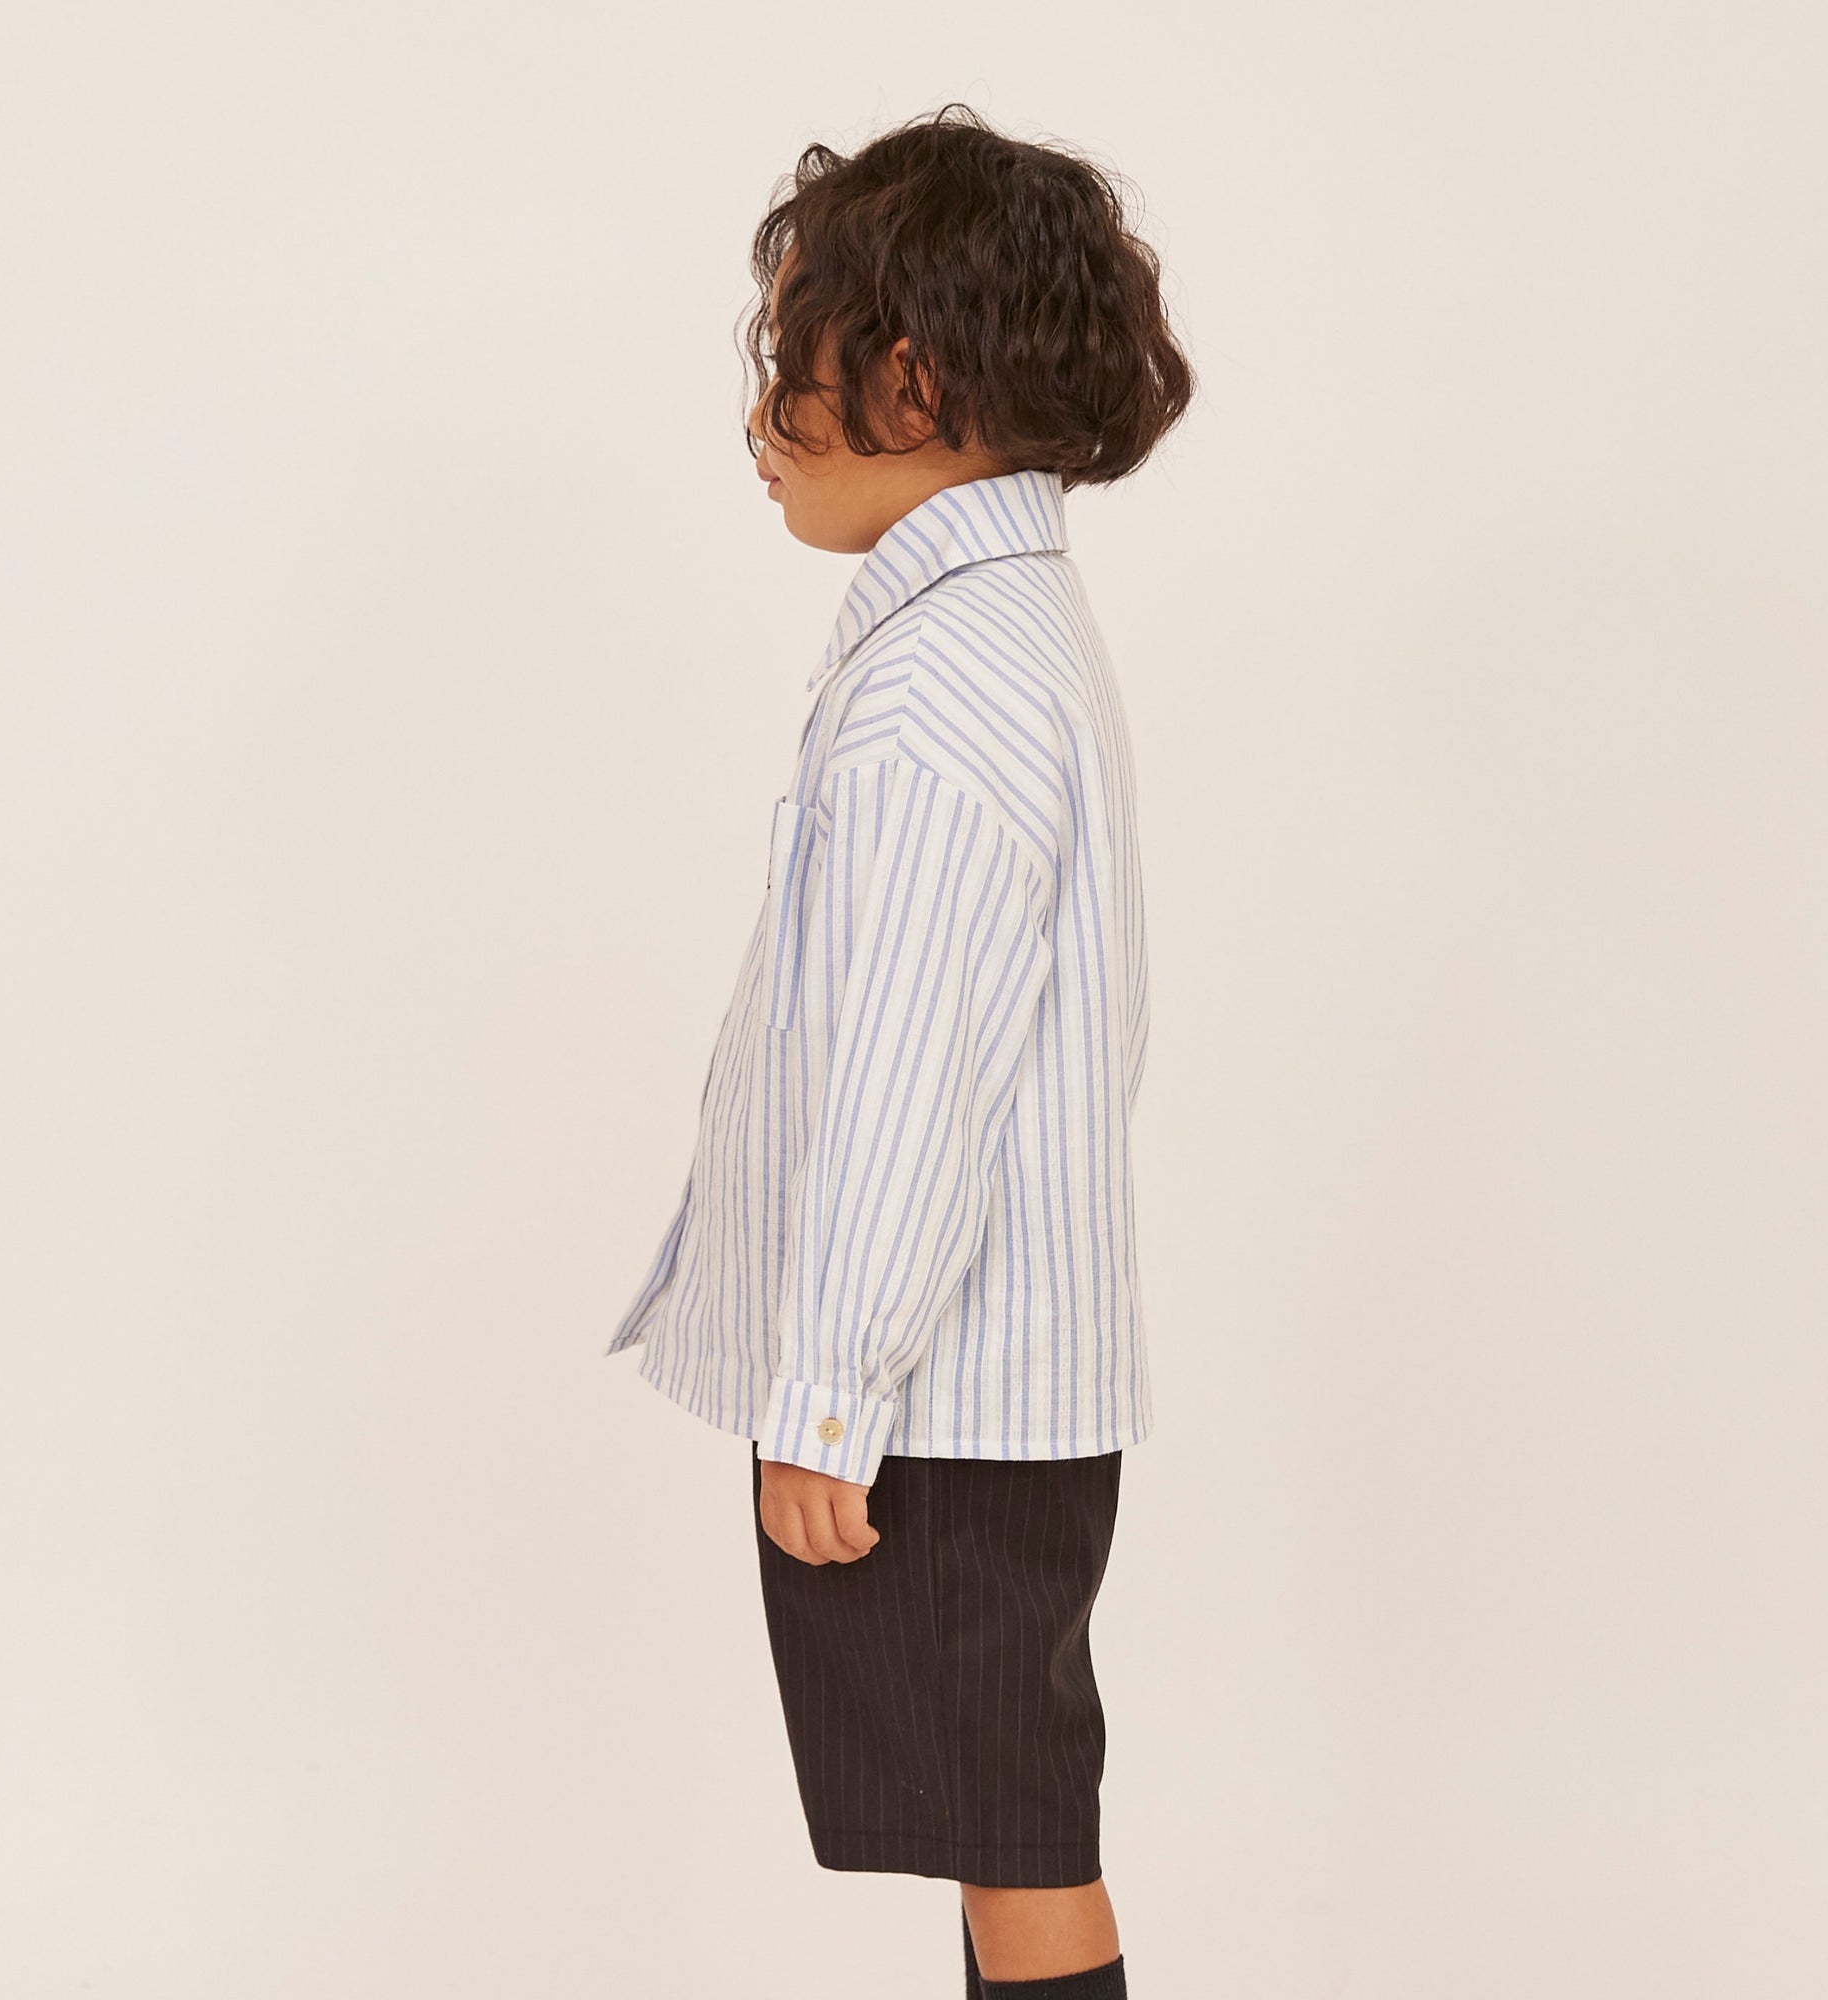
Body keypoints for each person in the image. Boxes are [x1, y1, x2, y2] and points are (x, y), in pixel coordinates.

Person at [603, 102, 1193, 1998]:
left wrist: (830, 1394)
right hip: (982, 1382)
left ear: (915, 377)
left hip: (942, 1397)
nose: (761, 416)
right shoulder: (1008, 631)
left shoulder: (944, 680)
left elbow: (908, 1080)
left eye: (792, 361)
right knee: (995, 1813)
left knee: (1017, 1835)